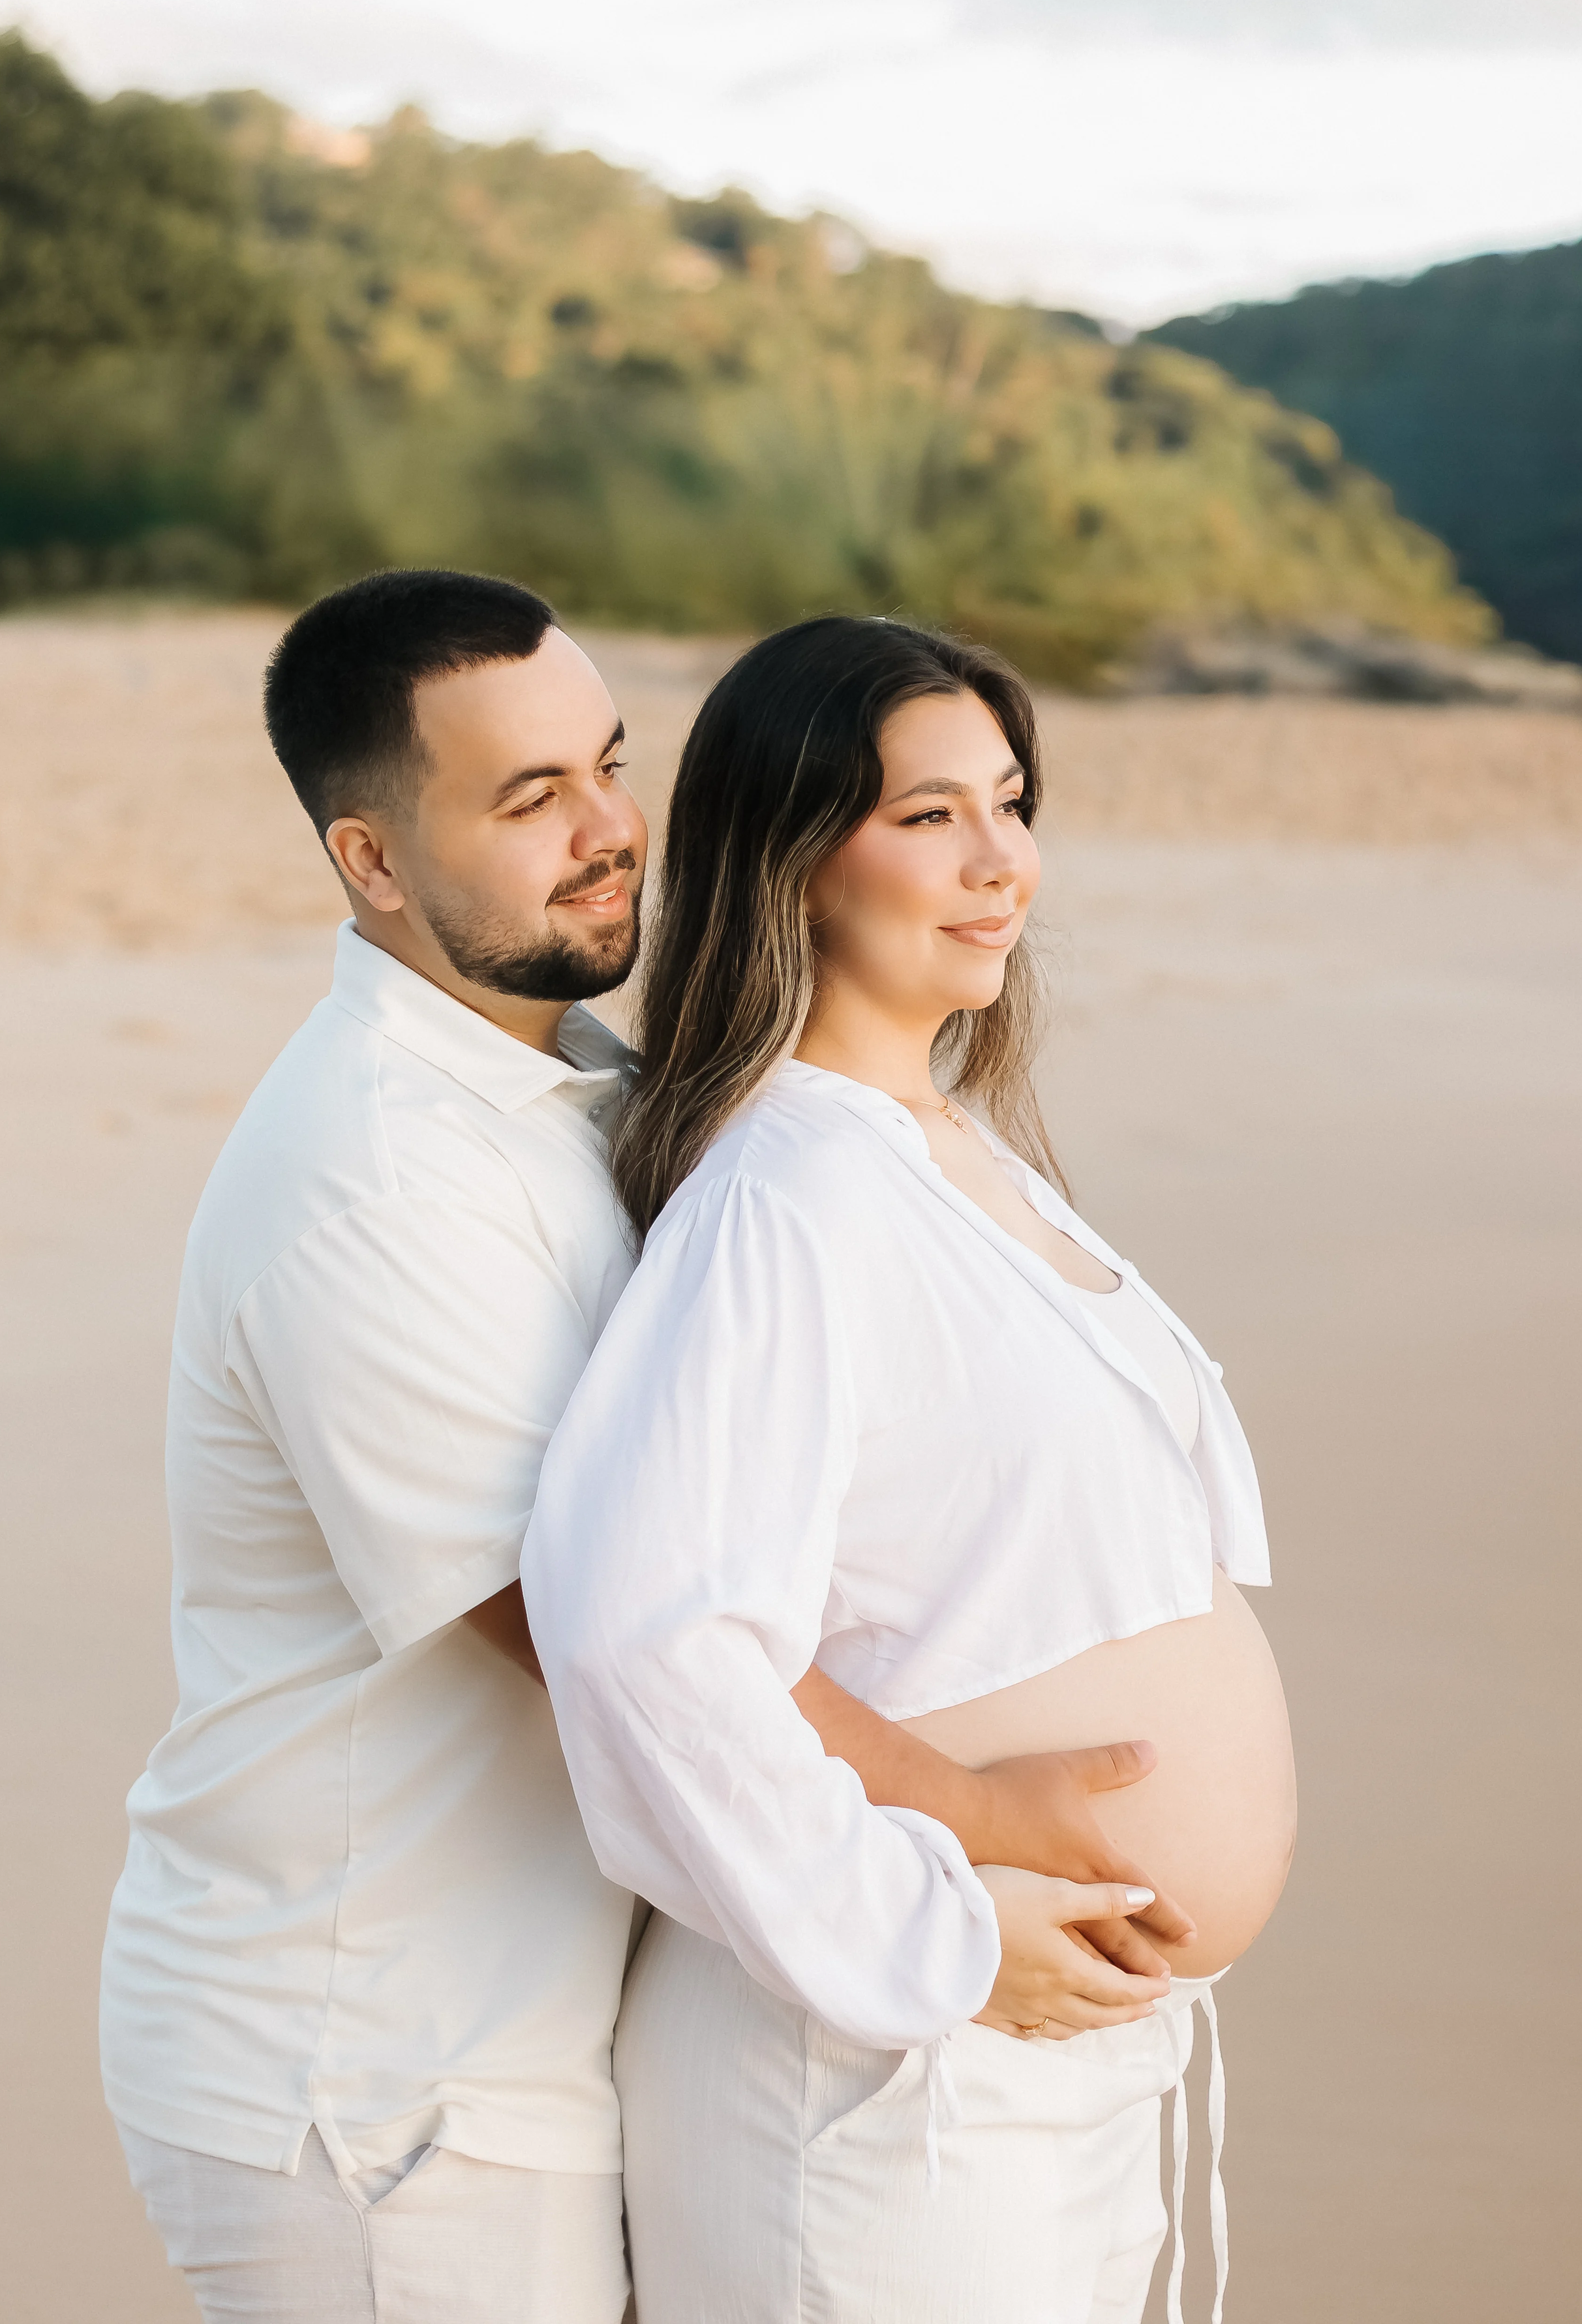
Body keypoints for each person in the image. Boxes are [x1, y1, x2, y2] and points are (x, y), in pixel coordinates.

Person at [100, 570, 1199, 2324]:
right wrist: (964, 1833)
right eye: (529, 799)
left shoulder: (574, 1085)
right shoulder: (377, 1179)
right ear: (373, 860)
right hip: (382, 2061)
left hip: (541, 2029)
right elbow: (579, 1623)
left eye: (606, 762)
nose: (613, 829)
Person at [523, 615, 1298, 2324]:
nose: (1001, 862)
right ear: (795, 862)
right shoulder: (783, 1196)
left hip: (1044, 2063)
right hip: (891, 2076)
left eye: (1011, 804)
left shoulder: (944, 1148)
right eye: (929, 816)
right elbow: (641, 1630)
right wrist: (932, 1937)